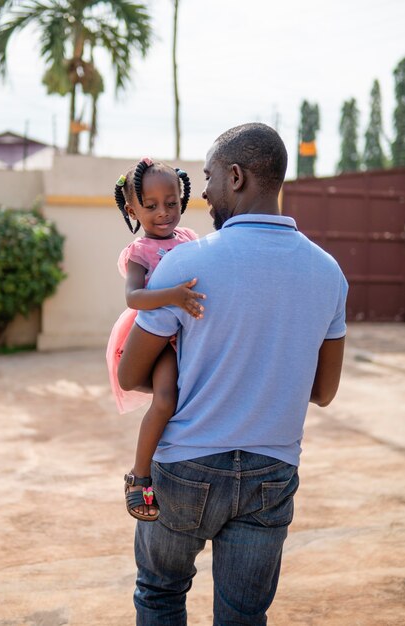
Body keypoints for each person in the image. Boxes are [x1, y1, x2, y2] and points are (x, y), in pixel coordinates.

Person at [118, 123, 348, 625]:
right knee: (244, 615)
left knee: (160, 595)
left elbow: (130, 372)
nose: (201, 191)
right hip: (272, 471)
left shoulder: (186, 263)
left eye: (209, 176)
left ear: (237, 177)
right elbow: (324, 392)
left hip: (184, 468)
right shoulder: (328, 272)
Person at [106, 158, 206, 522]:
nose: (163, 213)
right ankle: (139, 475)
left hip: (190, 334)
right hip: (158, 340)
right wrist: (174, 297)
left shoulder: (190, 239)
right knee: (165, 400)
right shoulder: (140, 252)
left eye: (171, 203)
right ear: (133, 209)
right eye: (150, 206)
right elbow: (133, 297)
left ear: (182, 199)